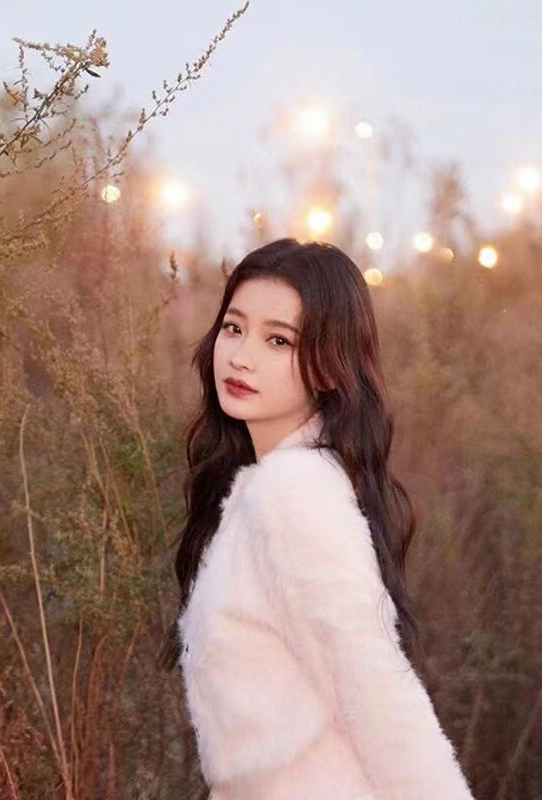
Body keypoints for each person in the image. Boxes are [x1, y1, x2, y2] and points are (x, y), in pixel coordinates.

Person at [158, 239, 476, 800]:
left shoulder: (294, 494)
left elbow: (378, 695)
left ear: (329, 368)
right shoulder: (273, 485)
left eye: (278, 340)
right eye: (234, 328)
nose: (242, 356)